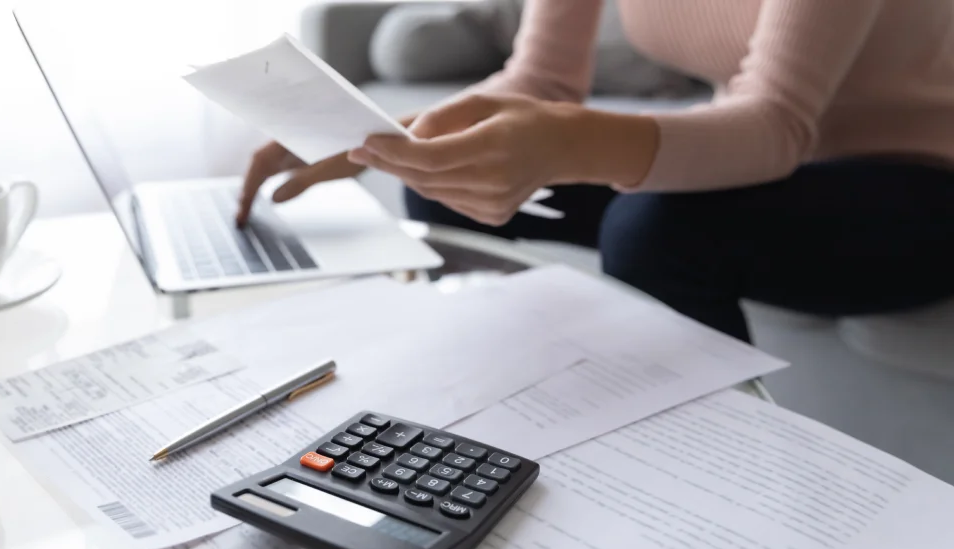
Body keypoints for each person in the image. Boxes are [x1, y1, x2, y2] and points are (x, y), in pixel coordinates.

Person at [238, 0, 954, 344]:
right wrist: (374, 137)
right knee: (447, 182)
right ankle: (489, 415)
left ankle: (711, 502)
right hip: (760, 167)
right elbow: (540, 80)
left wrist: (573, 144)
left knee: (659, 227)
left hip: (918, 180)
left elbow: (777, 124)